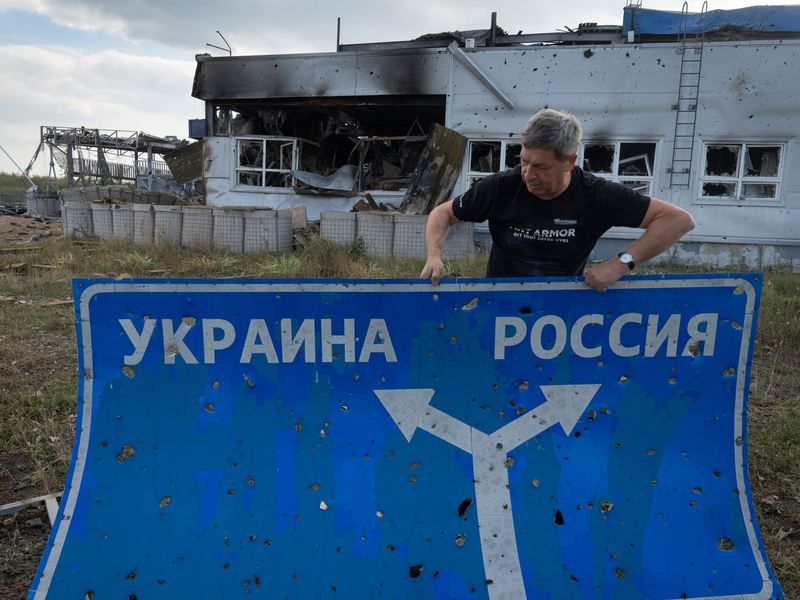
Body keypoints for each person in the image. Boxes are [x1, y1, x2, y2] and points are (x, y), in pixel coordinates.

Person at [420, 109, 695, 292]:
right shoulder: (499, 187)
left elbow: (678, 220)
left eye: (541, 167)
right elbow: (442, 214)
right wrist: (434, 257)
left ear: (569, 162)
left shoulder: (596, 195)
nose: (528, 174)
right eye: (524, 161)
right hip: (499, 302)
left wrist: (620, 264)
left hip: (562, 309)